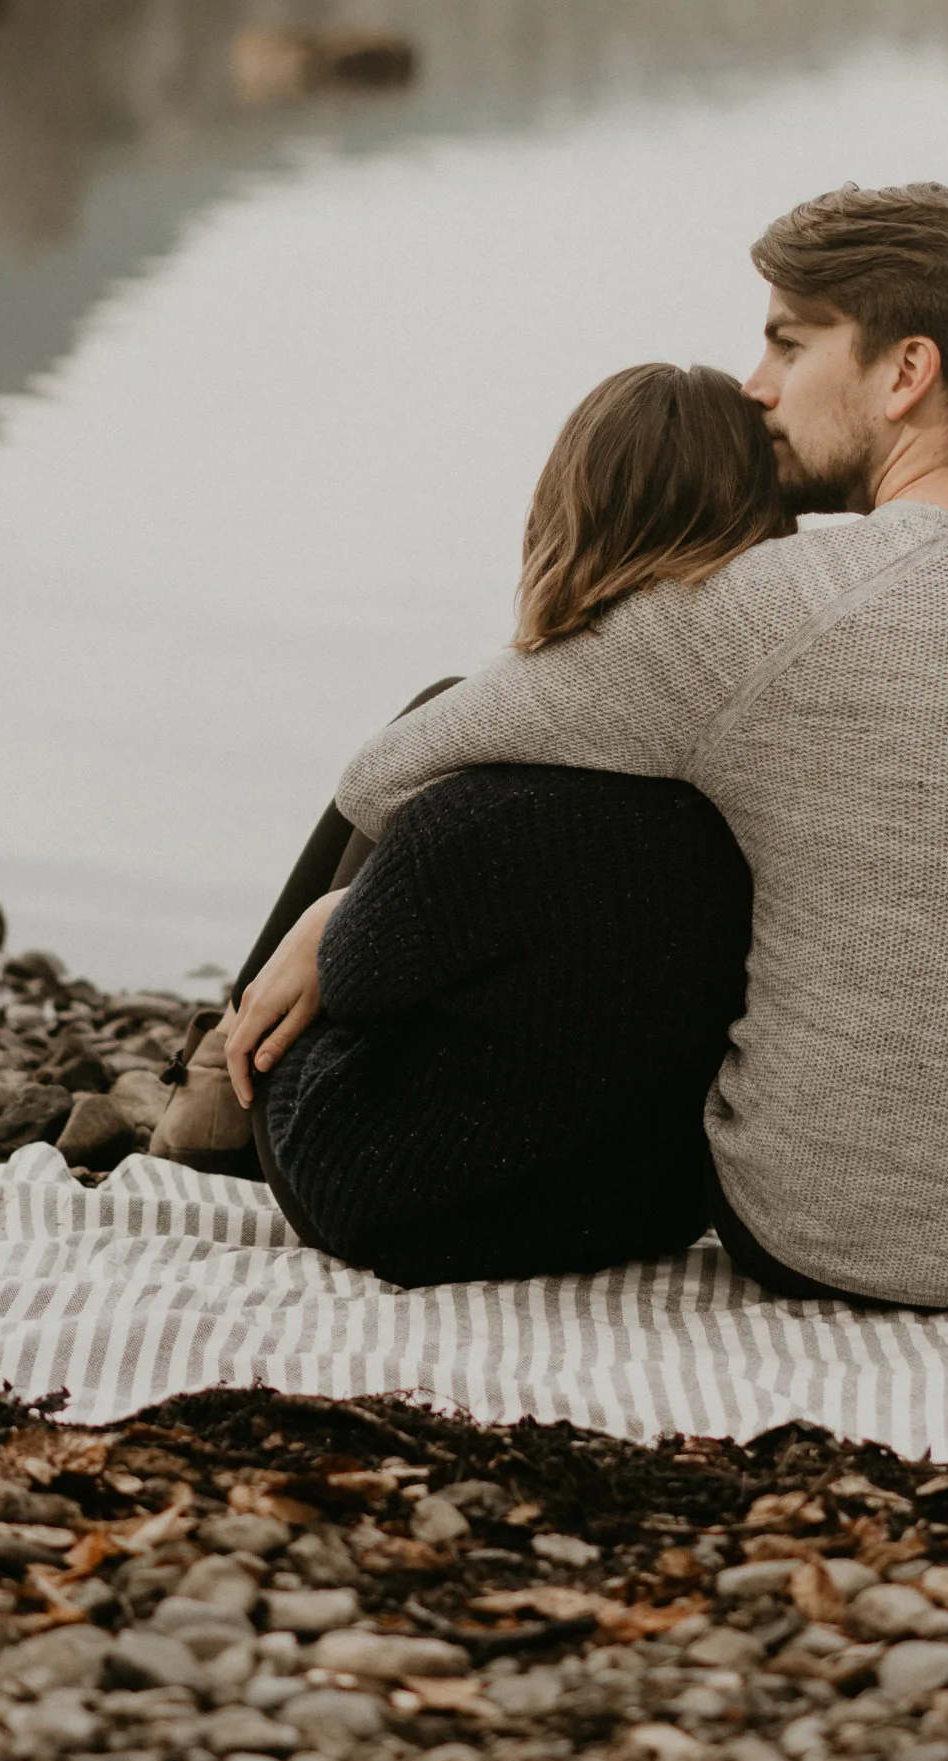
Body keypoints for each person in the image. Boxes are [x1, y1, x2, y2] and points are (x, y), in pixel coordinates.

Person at [230, 180, 948, 1311]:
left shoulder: (763, 610)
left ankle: (221, 1087)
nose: (755, 387)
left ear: (906, 373)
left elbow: (401, 759)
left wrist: (341, 918)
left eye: (787, 344)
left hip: (817, 1232)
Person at [155, 362, 784, 1285]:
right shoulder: (778, 799)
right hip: (643, 1206)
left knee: (438, 717)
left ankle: (218, 1078)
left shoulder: (471, 810)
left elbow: (364, 987)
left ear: (566, 515)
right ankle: (216, 1065)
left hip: (397, 1202)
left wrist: (337, 920)